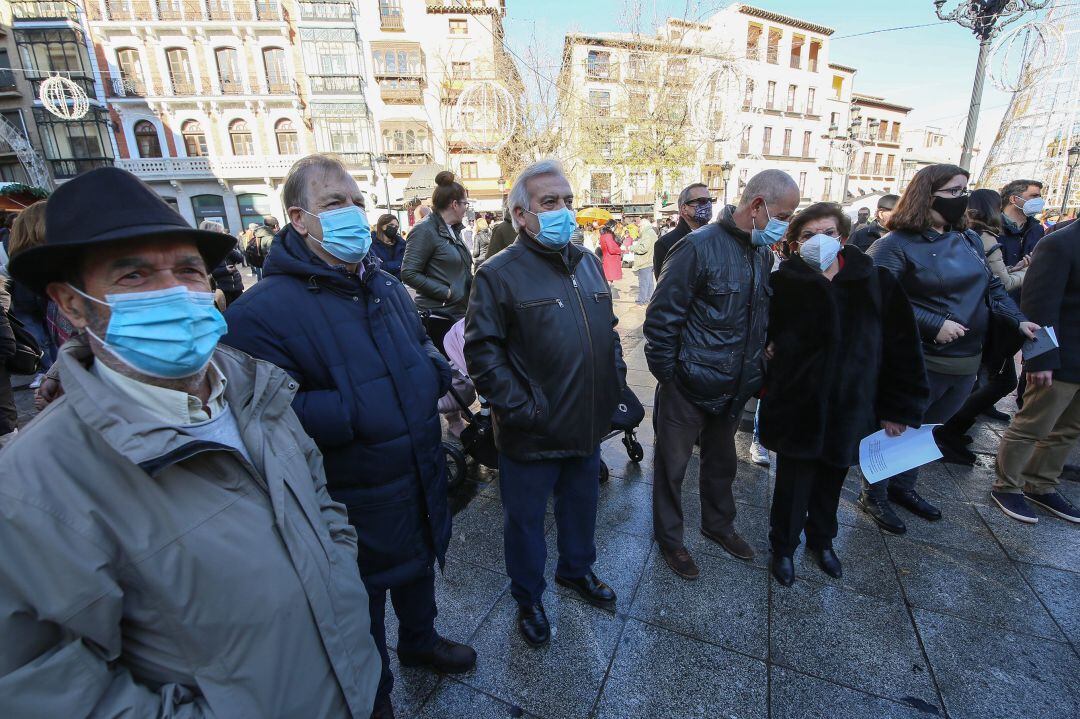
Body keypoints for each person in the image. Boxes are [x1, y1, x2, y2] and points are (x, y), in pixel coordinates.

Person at [0, 167, 381, 717]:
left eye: (188, 270)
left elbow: (322, 502)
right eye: (133, 276)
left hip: (353, 688)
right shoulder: (32, 484)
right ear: (72, 304)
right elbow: (38, 680)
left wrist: (340, 580)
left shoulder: (258, 392)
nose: (174, 291)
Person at [222, 155, 474, 719]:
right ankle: (373, 692)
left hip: (414, 467)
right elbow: (263, 412)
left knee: (417, 564)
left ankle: (421, 641)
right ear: (299, 218)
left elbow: (416, 349)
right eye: (335, 203)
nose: (353, 213)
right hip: (348, 493)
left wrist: (442, 376)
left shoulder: (383, 285)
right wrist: (356, 410)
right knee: (359, 602)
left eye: (357, 202)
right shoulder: (259, 312)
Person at [464, 159, 626, 647]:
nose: (563, 212)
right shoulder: (498, 273)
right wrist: (524, 408)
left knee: (582, 506)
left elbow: (608, 331)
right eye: (549, 203)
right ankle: (528, 598)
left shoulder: (588, 261)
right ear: (520, 214)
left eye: (567, 201)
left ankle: (576, 570)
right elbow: (482, 352)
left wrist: (614, 381)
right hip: (531, 431)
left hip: (586, 422)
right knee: (526, 523)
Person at [759, 202, 928, 585]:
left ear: (844, 238)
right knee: (791, 484)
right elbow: (763, 330)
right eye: (807, 235)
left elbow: (903, 348)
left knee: (832, 480)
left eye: (828, 232)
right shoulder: (784, 283)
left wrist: (898, 406)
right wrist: (770, 347)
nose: (818, 241)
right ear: (794, 243)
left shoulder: (878, 282)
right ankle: (783, 547)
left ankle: (822, 541)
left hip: (851, 404)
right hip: (797, 405)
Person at [864, 164, 1038, 533]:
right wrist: (932, 323)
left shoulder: (969, 240)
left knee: (926, 430)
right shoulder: (893, 246)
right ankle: (874, 493)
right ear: (927, 195)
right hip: (918, 361)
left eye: (965, 190)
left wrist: (1017, 318)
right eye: (955, 192)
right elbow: (875, 299)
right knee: (897, 427)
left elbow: (992, 288)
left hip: (966, 360)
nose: (964, 200)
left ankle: (903, 486)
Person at [644, 169, 798, 580]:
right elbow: (661, 320)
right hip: (687, 386)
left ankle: (718, 525)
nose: (786, 225)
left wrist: (760, 354)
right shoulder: (696, 248)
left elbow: (756, 313)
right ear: (758, 206)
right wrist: (671, 377)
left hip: (735, 386)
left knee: (721, 463)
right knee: (671, 469)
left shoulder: (762, 252)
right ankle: (670, 540)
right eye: (784, 214)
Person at [991, 219, 1080, 524]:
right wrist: (1039, 359)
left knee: (1068, 429)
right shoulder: (1060, 243)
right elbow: (1039, 305)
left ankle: (1041, 484)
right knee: (1033, 424)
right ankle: (1008, 486)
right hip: (1060, 357)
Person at [937, 189, 1028, 463]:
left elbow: (990, 282)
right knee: (1001, 380)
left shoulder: (971, 237)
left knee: (981, 380)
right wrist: (1026, 271)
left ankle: (948, 430)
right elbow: (998, 284)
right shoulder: (983, 238)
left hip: (978, 319)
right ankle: (948, 431)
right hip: (980, 322)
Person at [401, 171, 473, 321]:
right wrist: (446, 292)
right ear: (455, 204)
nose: (466, 208)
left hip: (457, 311)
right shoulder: (424, 229)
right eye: (465, 203)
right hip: (438, 315)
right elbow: (409, 273)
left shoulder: (453, 229)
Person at [654, 183, 712, 279]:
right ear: (684, 208)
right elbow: (665, 288)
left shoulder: (719, 238)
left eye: (710, 200)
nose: (708, 205)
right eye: (702, 201)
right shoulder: (666, 244)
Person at [998, 179, 1045, 273]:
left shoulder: (1037, 229)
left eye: (1040, 197)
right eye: (1034, 196)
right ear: (1013, 199)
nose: (1040, 201)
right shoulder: (992, 227)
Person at [200, 221, 245, 307]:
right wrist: (225, 270)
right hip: (222, 290)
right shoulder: (204, 251)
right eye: (220, 233)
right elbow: (206, 272)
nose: (222, 235)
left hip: (236, 287)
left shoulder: (224, 247)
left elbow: (240, 258)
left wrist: (228, 246)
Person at [370, 213, 406, 278]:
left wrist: (386, 265)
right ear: (382, 226)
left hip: (398, 282)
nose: (394, 228)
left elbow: (405, 264)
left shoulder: (401, 244)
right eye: (391, 225)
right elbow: (375, 266)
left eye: (396, 227)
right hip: (378, 281)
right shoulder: (371, 243)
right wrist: (398, 265)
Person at [246, 216, 278, 281]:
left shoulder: (259, 234)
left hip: (264, 267)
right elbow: (275, 257)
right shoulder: (270, 238)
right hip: (272, 271)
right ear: (276, 225)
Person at [633, 217, 657, 304]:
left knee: (644, 282)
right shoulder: (652, 232)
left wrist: (633, 248)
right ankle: (649, 299)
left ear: (643, 226)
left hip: (644, 261)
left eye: (639, 226)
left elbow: (643, 248)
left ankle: (641, 300)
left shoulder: (647, 234)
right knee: (649, 283)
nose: (639, 228)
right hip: (650, 260)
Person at [599, 220, 624, 291]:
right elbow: (612, 249)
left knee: (607, 281)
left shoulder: (603, 236)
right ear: (612, 226)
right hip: (611, 261)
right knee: (608, 282)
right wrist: (621, 250)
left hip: (607, 259)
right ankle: (607, 299)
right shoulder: (608, 236)